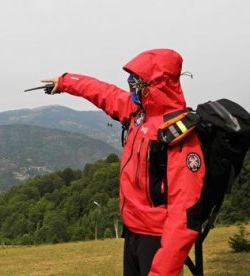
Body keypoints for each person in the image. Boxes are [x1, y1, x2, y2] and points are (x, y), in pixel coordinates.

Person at [41, 49, 205, 275]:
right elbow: (103, 92)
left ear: (158, 84)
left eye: (139, 81)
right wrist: (66, 81)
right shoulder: (137, 113)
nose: (132, 86)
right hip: (132, 230)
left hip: (157, 238)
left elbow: (184, 215)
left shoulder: (180, 134)